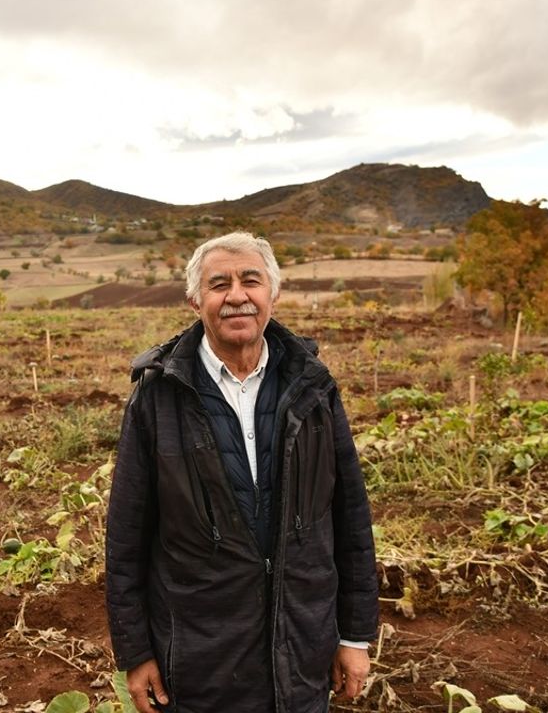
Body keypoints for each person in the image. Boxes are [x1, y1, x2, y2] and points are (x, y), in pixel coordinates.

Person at [105, 231, 378, 712]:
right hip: (198, 659)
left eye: (250, 281)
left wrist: (354, 634)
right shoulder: (158, 396)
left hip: (301, 647)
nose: (236, 296)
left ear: (273, 293)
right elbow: (126, 538)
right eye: (219, 284)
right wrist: (136, 651)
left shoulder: (314, 388)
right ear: (195, 301)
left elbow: (349, 518)